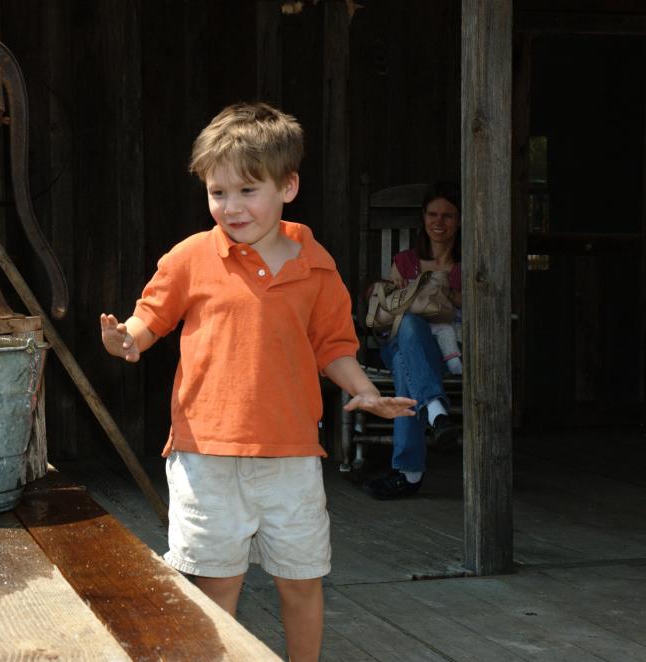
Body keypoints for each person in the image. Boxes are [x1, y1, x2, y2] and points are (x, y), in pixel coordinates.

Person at [100, 102, 415, 662]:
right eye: (217, 192)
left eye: (247, 191)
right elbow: (151, 317)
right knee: (217, 585)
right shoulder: (192, 257)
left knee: (301, 580)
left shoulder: (317, 266)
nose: (230, 206)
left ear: (288, 186)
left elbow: (335, 345)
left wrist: (362, 389)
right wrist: (127, 339)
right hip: (206, 454)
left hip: (290, 456)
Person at [365, 181, 463, 500]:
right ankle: (436, 411)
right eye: (433, 214)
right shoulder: (405, 261)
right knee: (407, 324)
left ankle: (409, 472)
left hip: (445, 353)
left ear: (459, 220)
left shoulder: (467, 265)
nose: (439, 222)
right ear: (423, 218)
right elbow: (391, 308)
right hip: (398, 342)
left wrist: (448, 295)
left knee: (408, 369)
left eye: (447, 216)